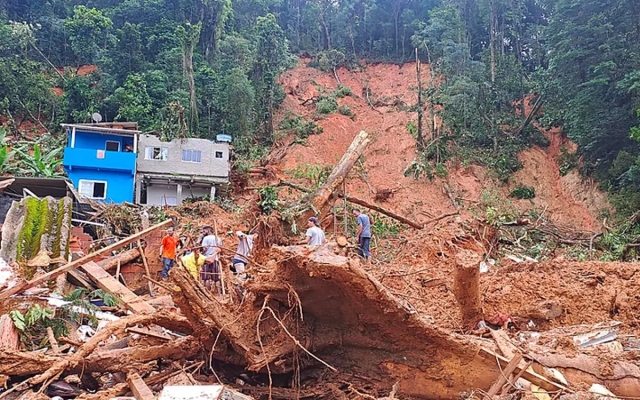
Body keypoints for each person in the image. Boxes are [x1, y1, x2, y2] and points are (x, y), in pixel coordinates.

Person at [201, 226, 222, 292]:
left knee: (206, 277)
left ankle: (208, 293)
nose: (203, 233)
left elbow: (204, 248)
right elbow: (220, 249)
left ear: (208, 231)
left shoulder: (206, 238)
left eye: (204, 231)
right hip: (215, 259)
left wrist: (201, 253)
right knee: (216, 278)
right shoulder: (218, 239)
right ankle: (219, 293)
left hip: (206, 259)